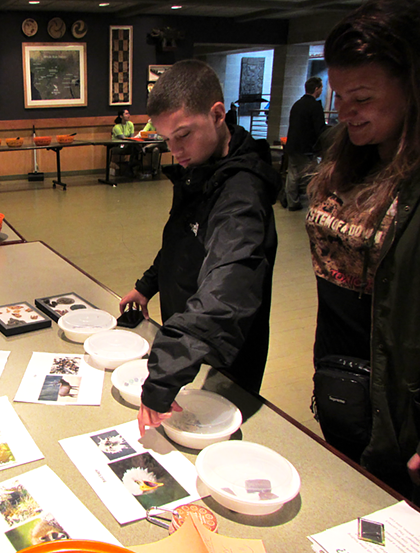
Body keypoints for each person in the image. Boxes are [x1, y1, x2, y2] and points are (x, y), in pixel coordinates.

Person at [119, 60, 280, 437]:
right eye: (167, 140)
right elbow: (183, 239)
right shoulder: (200, 167)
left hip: (218, 350)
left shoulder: (241, 194)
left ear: (218, 115)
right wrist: (148, 284)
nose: (175, 150)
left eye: (183, 135)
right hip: (185, 344)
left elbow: (225, 291)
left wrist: (163, 378)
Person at [305, 0, 420, 502]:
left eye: (363, 97)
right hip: (340, 374)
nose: (344, 111)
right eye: (338, 96)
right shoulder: (351, 154)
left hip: (399, 402)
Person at [284, 77, 327, 211]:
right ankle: (315, 205)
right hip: (306, 148)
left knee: (292, 174)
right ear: (316, 89)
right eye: (321, 88)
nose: (321, 90)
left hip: (292, 145)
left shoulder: (297, 104)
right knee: (312, 176)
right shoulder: (315, 106)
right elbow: (319, 128)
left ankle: (292, 202)